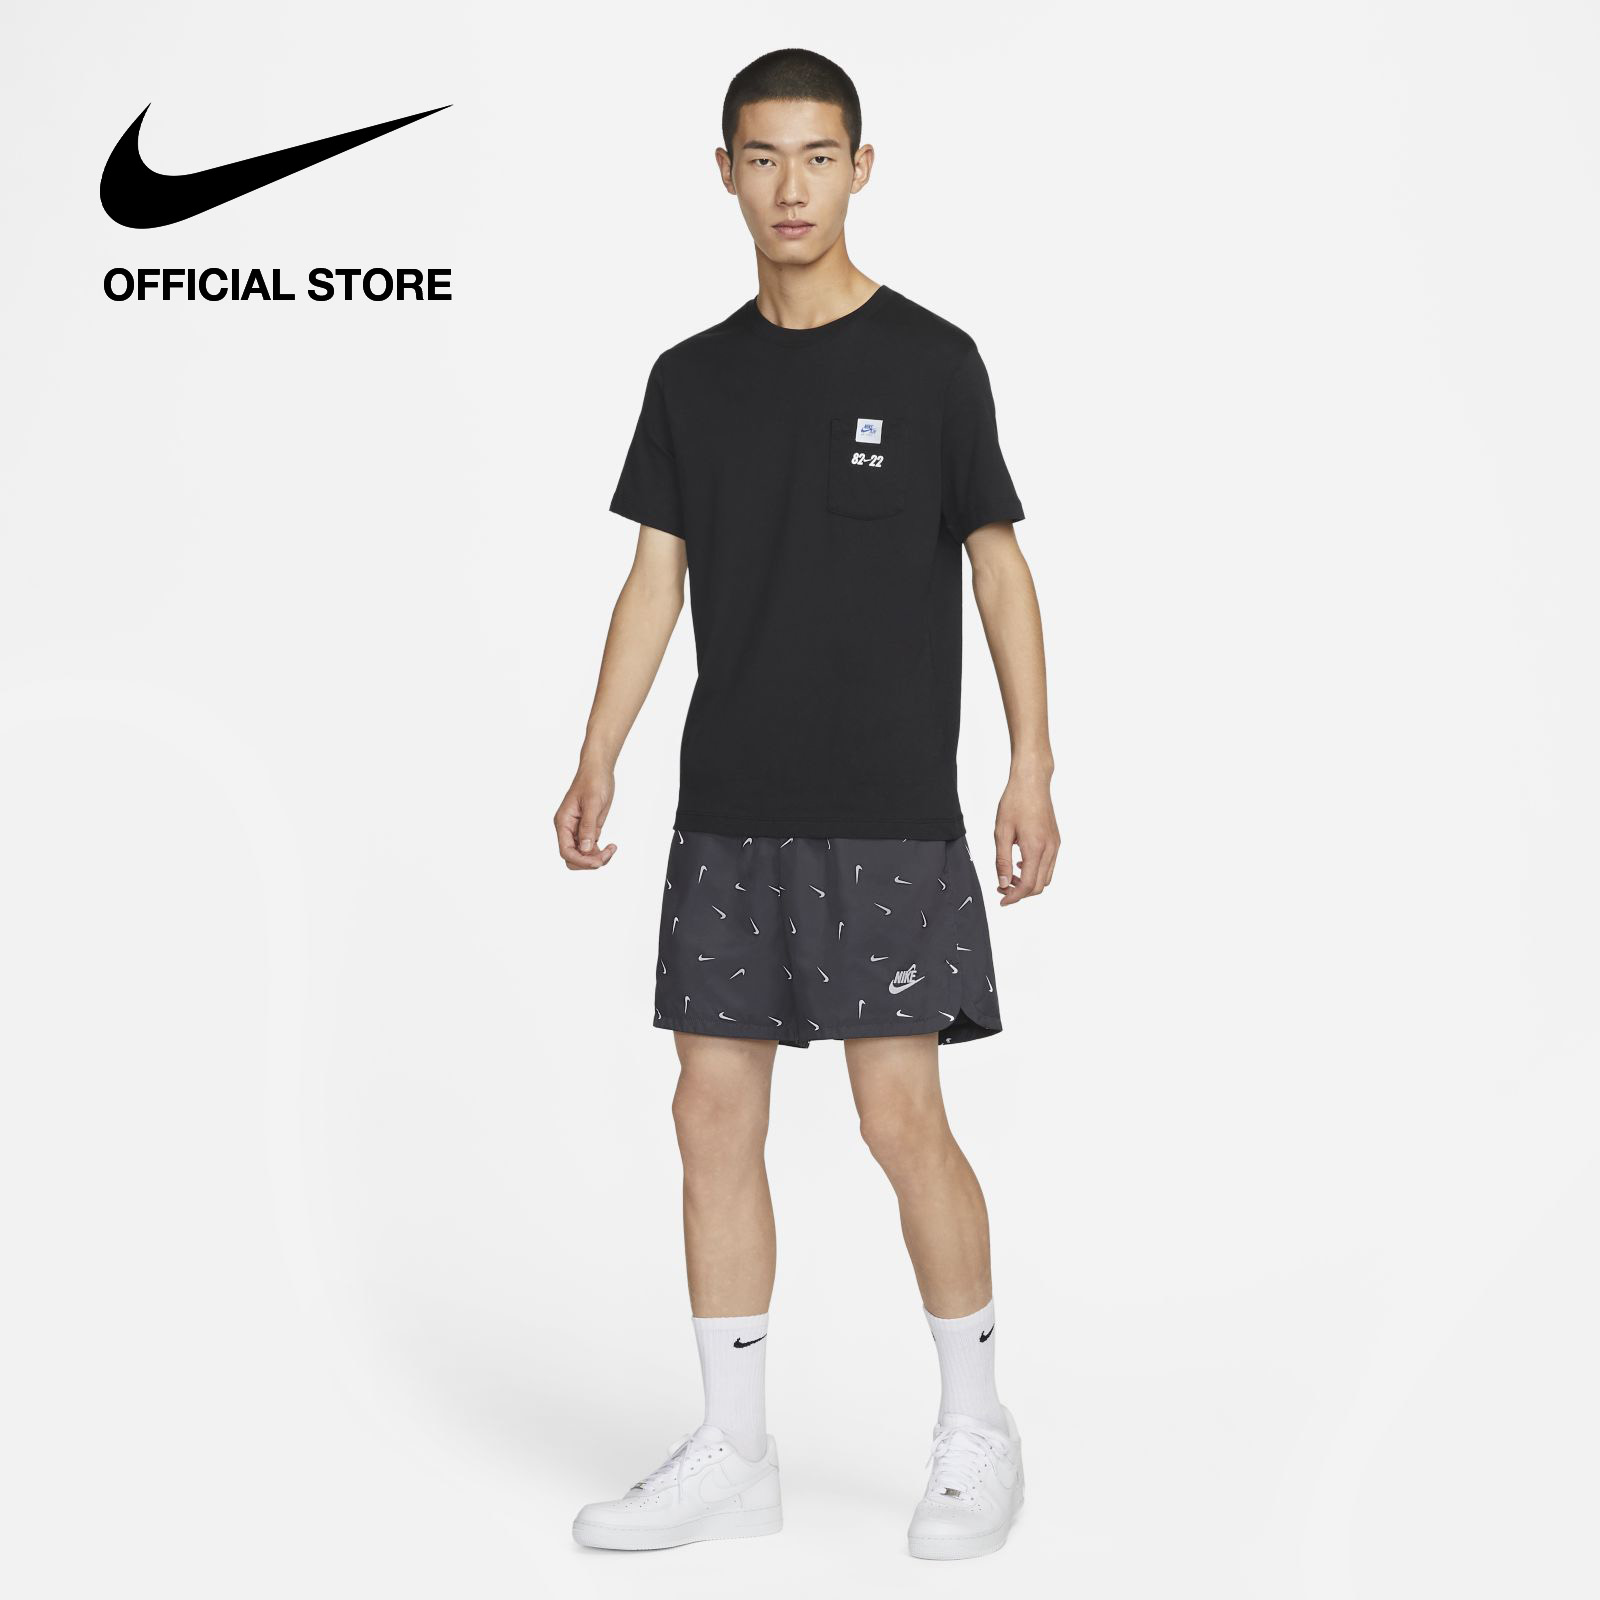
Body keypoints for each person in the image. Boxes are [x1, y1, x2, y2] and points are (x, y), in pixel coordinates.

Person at [556, 47, 1057, 1561]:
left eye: (818, 157)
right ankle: (734, 1450)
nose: (791, 187)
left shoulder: (933, 362)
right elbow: (655, 579)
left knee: (900, 1116)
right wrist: (599, 752)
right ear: (725, 173)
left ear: (860, 168)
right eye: (763, 158)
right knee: (709, 1111)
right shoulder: (690, 379)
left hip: (890, 812)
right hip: (730, 807)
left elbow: (999, 567)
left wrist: (1031, 763)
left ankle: (977, 1429)